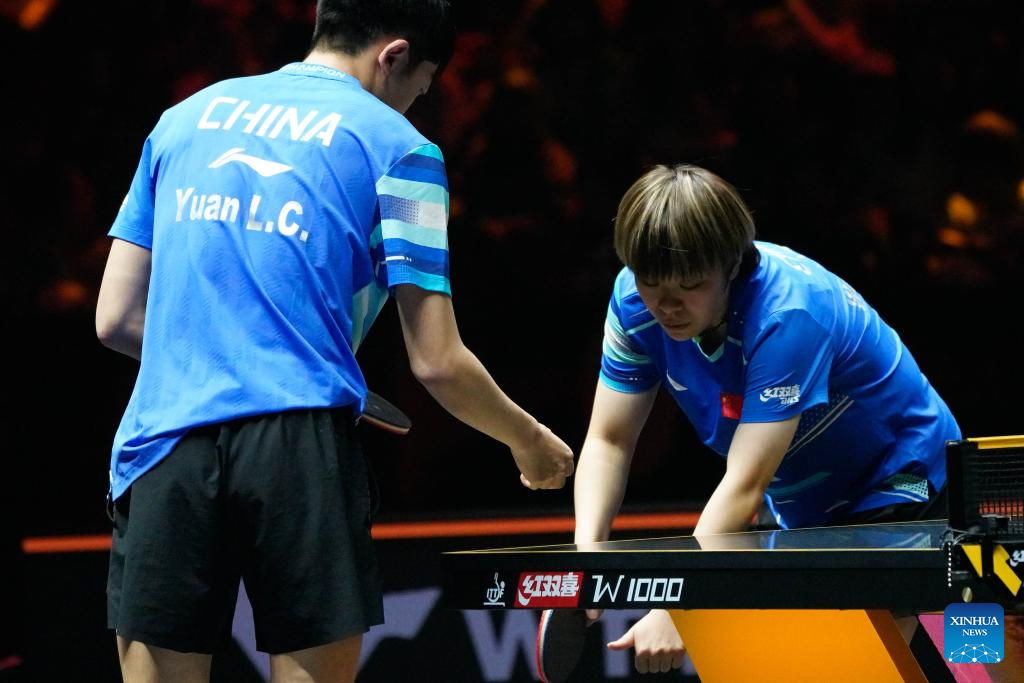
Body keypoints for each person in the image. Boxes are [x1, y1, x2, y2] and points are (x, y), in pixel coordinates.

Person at [95, 2, 575, 681]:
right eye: (421, 87)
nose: (414, 105)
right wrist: (529, 441)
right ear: (394, 55)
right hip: (298, 445)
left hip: (167, 438)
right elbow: (437, 361)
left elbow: (115, 318)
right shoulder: (403, 151)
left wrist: (230, 352)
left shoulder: (183, 119)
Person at [573, 164, 959, 674]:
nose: (666, 306)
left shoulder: (787, 314)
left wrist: (675, 605)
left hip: (902, 479)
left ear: (732, 266)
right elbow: (610, 441)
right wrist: (586, 558)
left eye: (690, 284)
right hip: (805, 506)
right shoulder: (631, 302)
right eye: (650, 283)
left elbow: (745, 482)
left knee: (896, 664)